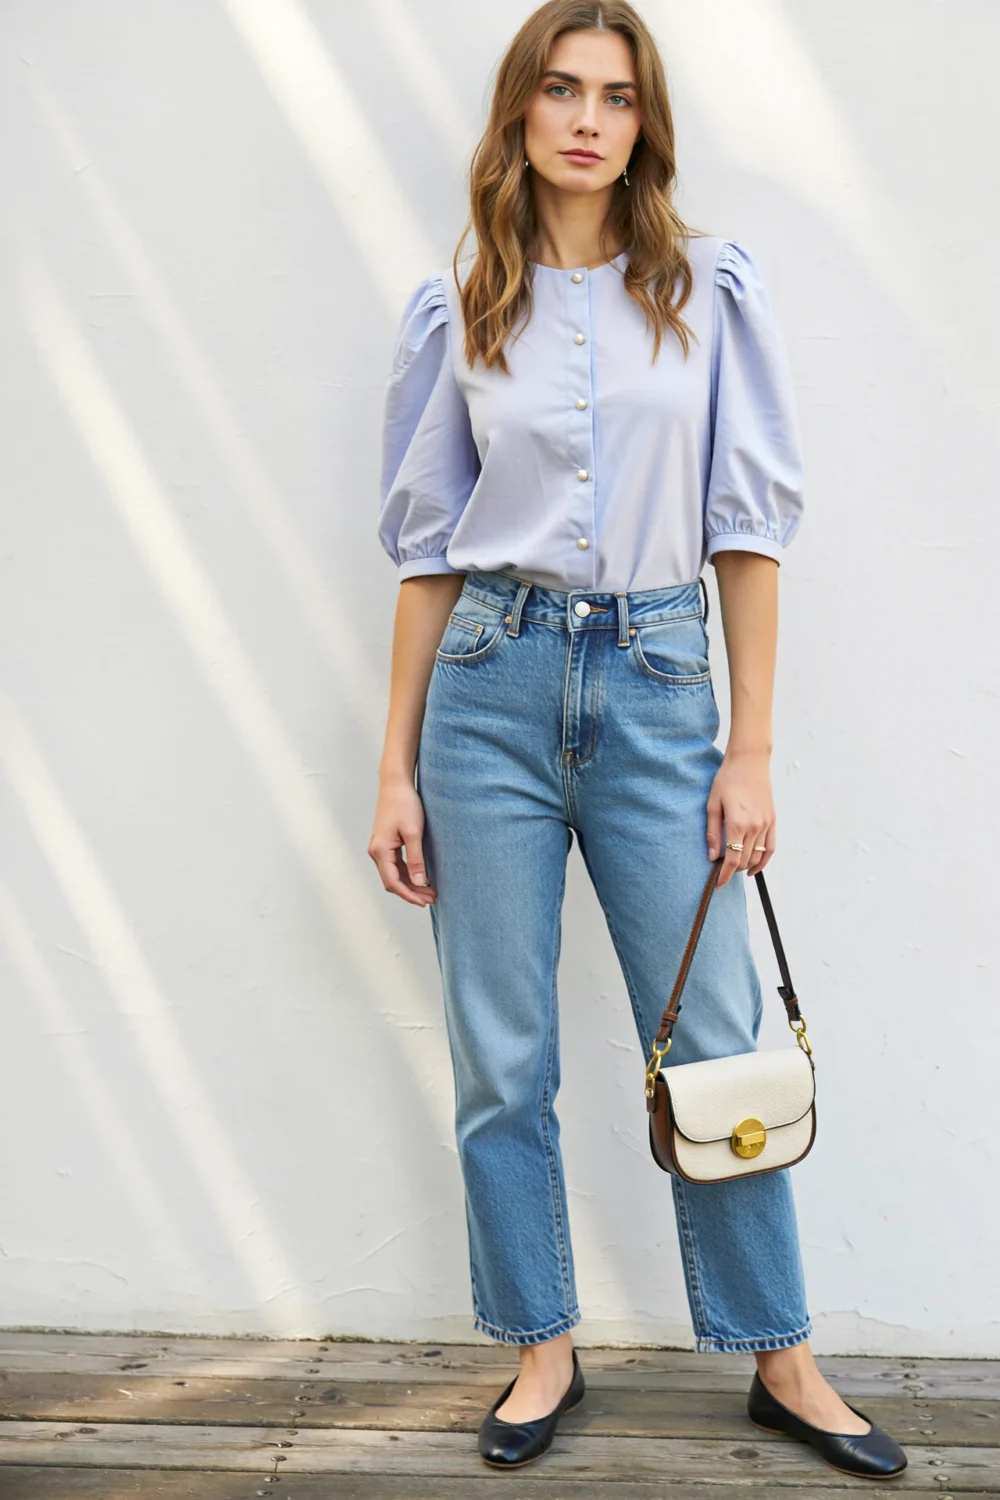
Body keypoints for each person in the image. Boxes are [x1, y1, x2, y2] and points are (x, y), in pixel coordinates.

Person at [368, 0, 907, 1480]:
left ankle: (779, 1355)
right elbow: (428, 550)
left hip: (665, 682)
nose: (588, 118)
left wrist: (754, 749)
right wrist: (396, 764)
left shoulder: (708, 292)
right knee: (502, 1051)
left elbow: (747, 526)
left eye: (615, 94)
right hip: (487, 684)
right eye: (562, 90)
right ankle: (543, 1349)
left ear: (643, 123)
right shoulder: (467, 300)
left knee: (717, 1041)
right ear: (523, 113)